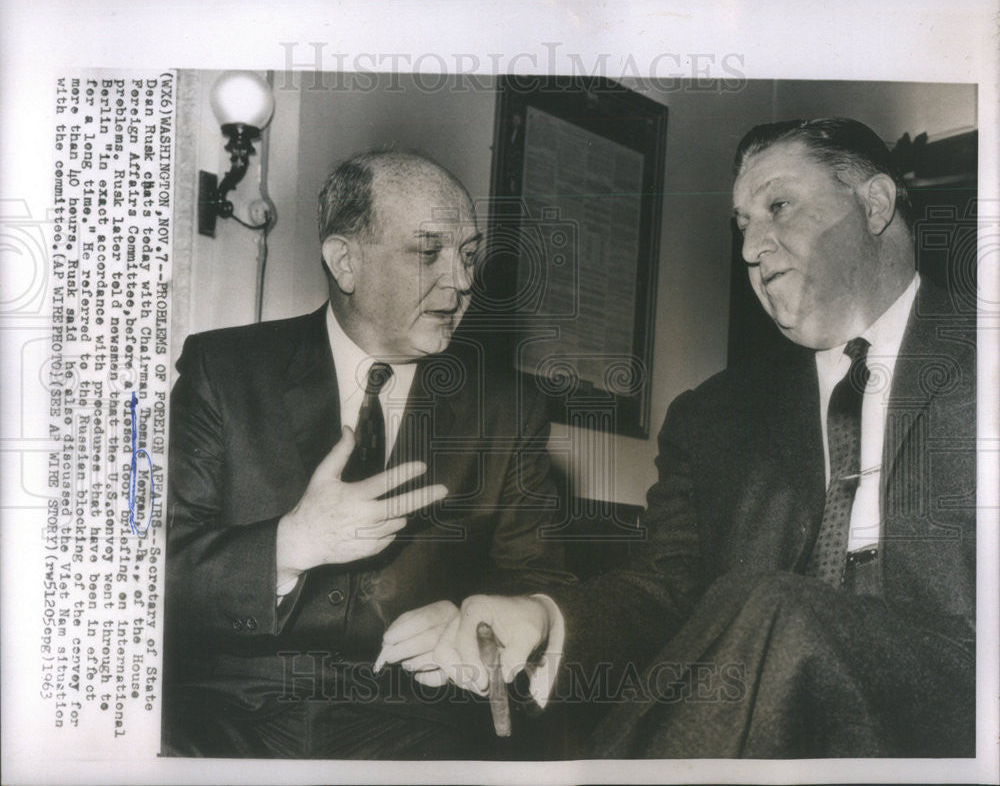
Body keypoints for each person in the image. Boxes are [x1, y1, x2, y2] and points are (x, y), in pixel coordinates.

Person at [400, 118, 977, 757]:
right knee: (769, 613)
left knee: (778, 606)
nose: (754, 247)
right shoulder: (713, 417)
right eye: (741, 225)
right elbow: (666, 597)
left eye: (778, 207)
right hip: (768, 709)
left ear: (875, 204)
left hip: (961, 703)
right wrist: (541, 618)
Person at [163, 150, 574, 759]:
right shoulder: (223, 370)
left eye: (467, 255)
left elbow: (540, 587)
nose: (462, 282)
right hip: (221, 715)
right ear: (345, 261)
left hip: (413, 725)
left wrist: (471, 624)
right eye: (428, 251)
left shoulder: (508, 411)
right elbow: (151, 578)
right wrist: (292, 543)